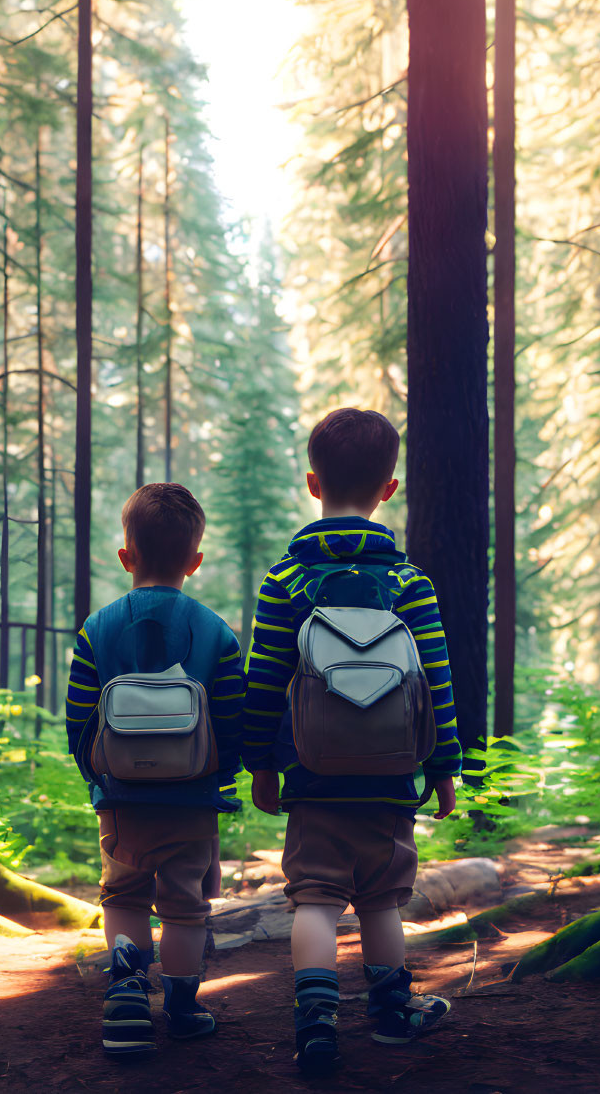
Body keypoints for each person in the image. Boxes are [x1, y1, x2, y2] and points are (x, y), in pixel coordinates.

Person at [242, 407, 462, 1074]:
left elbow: (263, 679)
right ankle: (393, 1015)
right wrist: (445, 765)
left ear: (313, 482)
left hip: (311, 777)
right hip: (392, 778)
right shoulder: (409, 583)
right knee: (381, 900)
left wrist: (260, 764)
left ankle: (315, 1022)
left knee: (313, 897)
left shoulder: (285, 582)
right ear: (388, 488)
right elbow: (438, 683)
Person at [65, 483, 245, 1056]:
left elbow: (77, 720)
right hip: (193, 802)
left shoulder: (98, 628)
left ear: (126, 556)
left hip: (121, 802)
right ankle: (184, 1008)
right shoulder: (217, 633)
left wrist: (99, 777)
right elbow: (235, 720)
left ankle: (125, 998)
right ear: (195, 560)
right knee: (186, 906)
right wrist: (222, 775)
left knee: (123, 897)